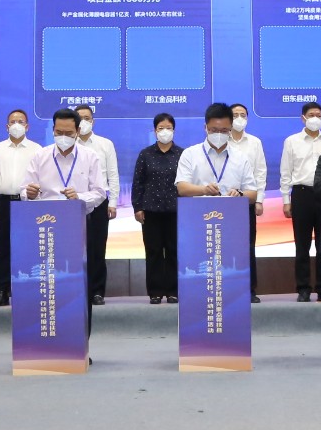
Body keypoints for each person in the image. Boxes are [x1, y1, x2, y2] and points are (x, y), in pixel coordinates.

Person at [23, 108, 109, 336]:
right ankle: (48, 336)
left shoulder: (90, 157)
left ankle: (80, 339)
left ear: (78, 131)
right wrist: (28, 193)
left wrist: (79, 197)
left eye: (68, 133)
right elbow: (24, 190)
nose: (63, 137)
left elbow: (100, 192)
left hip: (78, 225)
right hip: (46, 227)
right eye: (58, 132)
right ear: (53, 130)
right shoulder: (40, 156)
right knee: (48, 282)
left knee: (78, 283)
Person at [175, 104, 261, 294]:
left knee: (232, 263)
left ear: (231, 129)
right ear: (205, 127)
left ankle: (239, 295)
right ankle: (198, 296)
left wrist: (239, 195)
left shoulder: (240, 157)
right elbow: (182, 187)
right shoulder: (190, 154)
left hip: (232, 221)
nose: (219, 134)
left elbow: (252, 193)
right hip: (199, 219)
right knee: (201, 262)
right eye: (214, 130)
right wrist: (203, 189)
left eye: (224, 131)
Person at [279, 101, 321, 302]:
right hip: (301, 194)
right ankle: (303, 288)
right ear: (303, 118)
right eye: (311, 115)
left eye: (319, 115)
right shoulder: (292, 141)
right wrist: (286, 200)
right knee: (302, 245)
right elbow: (286, 172)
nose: (315, 119)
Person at [0, 109, 39, 307]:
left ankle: (27, 292)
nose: (16, 125)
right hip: (2, 203)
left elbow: (41, 178)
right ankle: (2, 291)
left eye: (20, 121)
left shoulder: (37, 149)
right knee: (3, 249)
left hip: (27, 204)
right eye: (13, 122)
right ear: (7, 126)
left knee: (28, 248)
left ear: (27, 126)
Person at [132, 112, 183, 304]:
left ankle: (173, 291)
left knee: (173, 251)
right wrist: (137, 207)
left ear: (174, 130)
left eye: (168, 128)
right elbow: (138, 182)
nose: (165, 132)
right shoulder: (145, 154)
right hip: (150, 211)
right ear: (155, 131)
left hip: (176, 211)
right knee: (153, 252)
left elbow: (187, 182)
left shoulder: (182, 154)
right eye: (161, 128)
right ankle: (155, 291)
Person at [73, 104, 120, 307]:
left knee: (97, 247)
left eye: (87, 118)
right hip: (73, 203)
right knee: (75, 248)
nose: (84, 121)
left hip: (99, 202)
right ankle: (77, 289)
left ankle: (97, 291)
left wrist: (113, 202)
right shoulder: (69, 145)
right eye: (80, 118)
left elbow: (113, 175)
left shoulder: (105, 144)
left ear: (93, 121)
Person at [228, 102, 267, 303]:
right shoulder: (221, 140)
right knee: (225, 245)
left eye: (243, 115)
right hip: (224, 202)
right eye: (235, 115)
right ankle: (227, 287)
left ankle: (249, 289)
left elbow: (260, 172)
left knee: (247, 245)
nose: (239, 119)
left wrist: (259, 200)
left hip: (247, 200)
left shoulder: (254, 142)